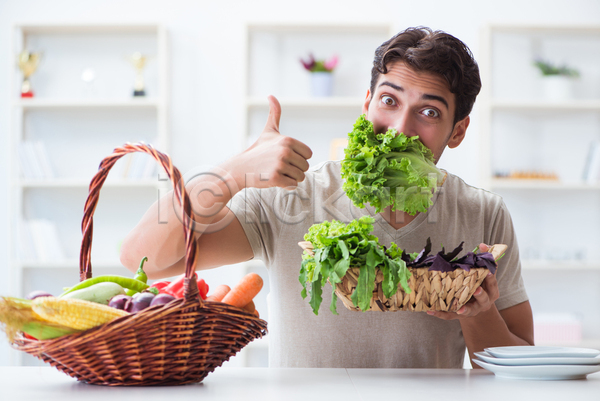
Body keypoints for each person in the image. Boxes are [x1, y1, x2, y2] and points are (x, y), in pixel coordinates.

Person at [120, 26, 534, 369]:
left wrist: (478, 314)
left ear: (457, 131)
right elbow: (142, 258)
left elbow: (520, 364)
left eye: (429, 112)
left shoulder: (483, 213)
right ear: (367, 103)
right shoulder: (291, 198)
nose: (399, 129)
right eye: (389, 101)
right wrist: (233, 173)